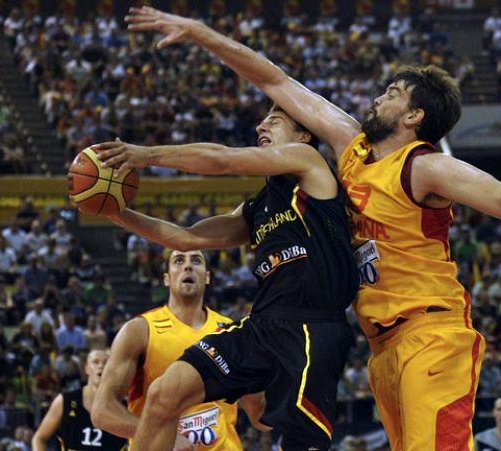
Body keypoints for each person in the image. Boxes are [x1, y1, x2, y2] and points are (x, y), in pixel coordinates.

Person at [124, 6, 501, 449]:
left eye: (394, 94)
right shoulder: (351, 149)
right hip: (382, 346)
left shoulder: (423, 167)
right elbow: (276, 81)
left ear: (414, 116)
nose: (380, 96)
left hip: (432, 333)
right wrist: (201, 32)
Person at [93, 103, 359, 450]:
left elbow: (222, 160)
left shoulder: (309, 165)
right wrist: (116, 212)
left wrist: (142, 155)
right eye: (261, 121)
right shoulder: (258, 207)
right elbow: (184, 238)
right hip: (263, 326)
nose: (262, 126)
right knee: (162, 394)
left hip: (311, 328)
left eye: (274, 121)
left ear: (304, 135)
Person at [91, 250, 256, 449]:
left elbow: (259, 412)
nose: (188, 266)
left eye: (196, 261)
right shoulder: (140, 330)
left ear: (208, 276)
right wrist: (160, 433)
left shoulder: (231, 330)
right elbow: (102, 410)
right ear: (167, 278)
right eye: (179, 261)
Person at [31, 349, 127, 451]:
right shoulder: (65, 401)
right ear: (87, 368)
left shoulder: (124, 407)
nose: (101, 366)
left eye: (106, 363)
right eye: (95, 362)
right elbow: (39, 438)